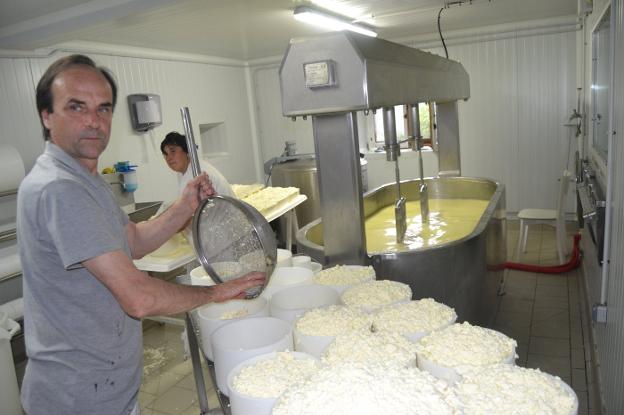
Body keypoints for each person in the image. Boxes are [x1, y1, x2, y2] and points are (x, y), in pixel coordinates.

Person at [16, 54, 264, 415]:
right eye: (76, 107)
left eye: (103, 109)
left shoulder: (86, 180)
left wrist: (184, 205)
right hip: (79, 397)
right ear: (46, 116)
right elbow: (139, 298)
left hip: (104, 389)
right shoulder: (59, 189)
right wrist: (218, 291)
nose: (93, 121)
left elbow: (132, 240)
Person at [160, 131, 235, 198]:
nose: (169, 158)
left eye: (173, 151)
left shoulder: (195, 174)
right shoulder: (194, 166)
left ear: (187, 151)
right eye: (165, 154)